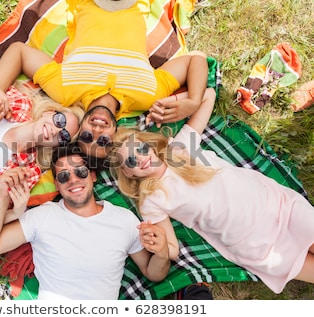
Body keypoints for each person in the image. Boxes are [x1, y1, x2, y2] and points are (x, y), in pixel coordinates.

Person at [108, 87, 314, 294]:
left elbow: (208, 95)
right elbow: (172, 249)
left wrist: (176, 104)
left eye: (141, 149)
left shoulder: (179, 148)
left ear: (151, 146)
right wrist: (159, 247)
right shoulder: (151, 199)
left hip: (275, 207)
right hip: (254, 243)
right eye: (132, 160)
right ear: (129, 173)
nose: (142, 158)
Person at [0, 0, 211, 161]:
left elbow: (19, 51)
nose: (96, 130)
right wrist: (193, 101)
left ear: (78, 129)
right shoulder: (148, 97)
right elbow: (195, 60)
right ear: (116, 135)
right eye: (103, 140)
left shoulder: (65, 92)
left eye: (86, 137)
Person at [0, 143, 172, 299]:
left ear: (92, 176)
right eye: (64, 176)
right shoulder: (42, 216)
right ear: (57, 185)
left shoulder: (124, 219)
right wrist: (3, 197)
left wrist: (162, 252)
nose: (73, 179)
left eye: (80, 172)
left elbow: (153, 273)